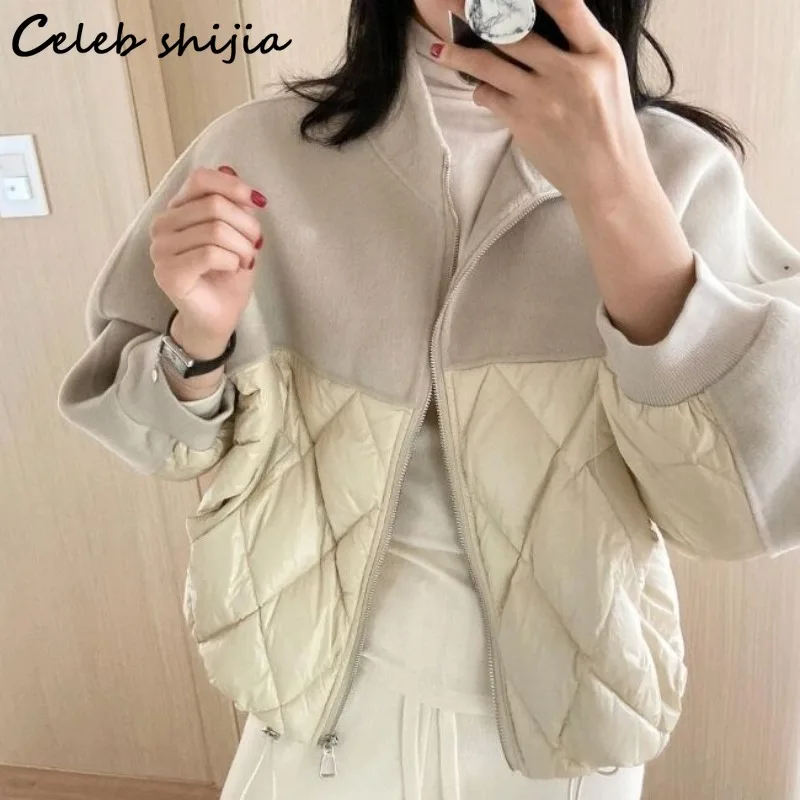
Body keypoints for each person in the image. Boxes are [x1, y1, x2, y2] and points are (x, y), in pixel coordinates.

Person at [57, 0, 800, 798]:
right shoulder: (257, 153)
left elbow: (746, 508)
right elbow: (151, 441)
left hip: (567, 729)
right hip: (314, 719)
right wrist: (198, 338)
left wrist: (619, 197)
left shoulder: (678, 171)